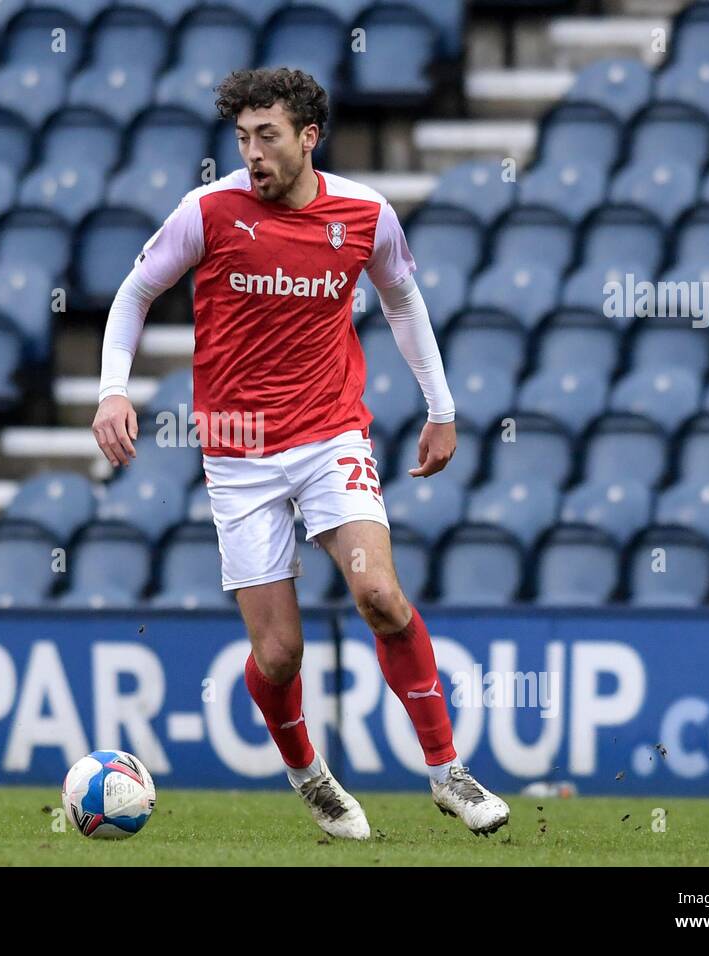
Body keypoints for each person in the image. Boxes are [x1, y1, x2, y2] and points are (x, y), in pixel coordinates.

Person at [92, 67, 509, 839]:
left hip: (330, 435)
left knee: (380, 596)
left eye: (268, 137)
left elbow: (403, 299)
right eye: (243, 138)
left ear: (308, 136)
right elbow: (135, 293)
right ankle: (309, 775)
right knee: (279, 655)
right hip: (239, 452)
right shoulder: (208, 212)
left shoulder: (366, 213)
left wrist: (441, 410)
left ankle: (448, 773)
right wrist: (114, 389)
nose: (251, 154)